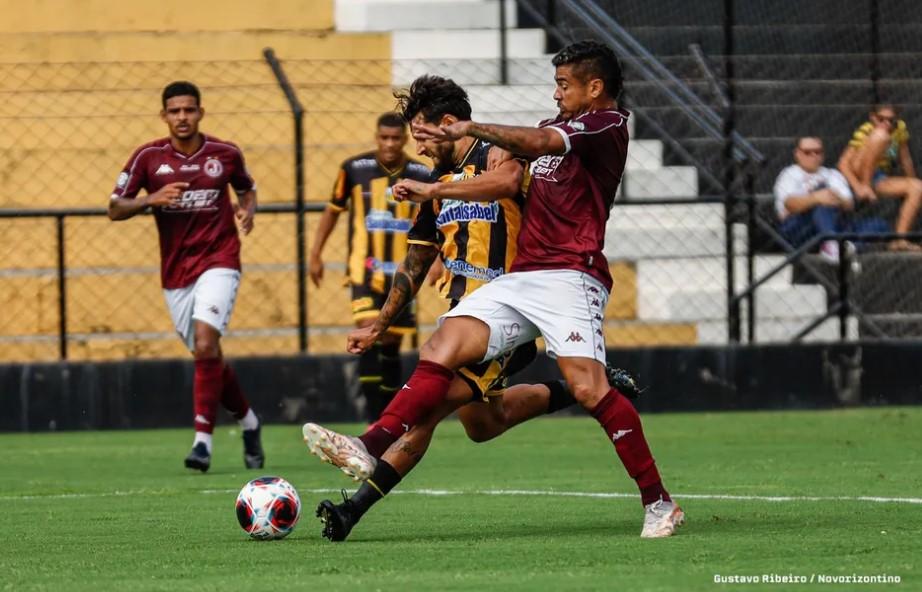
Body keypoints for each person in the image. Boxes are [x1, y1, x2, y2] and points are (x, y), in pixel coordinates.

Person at [311, 41, 682, 540]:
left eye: (564, 84)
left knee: (587, 389)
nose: (556, 93)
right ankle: (368, 444)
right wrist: (380, 322)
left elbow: (520, 164)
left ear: (595, 87)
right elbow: (419, 257)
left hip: (572, 273)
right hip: (520, 279)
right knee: (453, 372)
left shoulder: (604, 126)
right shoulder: (527, 142)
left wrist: (466, 135)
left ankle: (659, 502)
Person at [108, 80, 264, 473]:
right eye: (175, 111)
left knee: (208, 342)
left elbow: (247, 189)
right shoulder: (148, 158)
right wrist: (150, 199)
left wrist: (248, 210)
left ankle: (202, 444)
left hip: (220, 260)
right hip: (176, 273)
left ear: (200, 112)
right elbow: (113, 208)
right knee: (206, 354)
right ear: (164, 116)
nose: (182, 117)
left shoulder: (225, 154)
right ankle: (250, 423)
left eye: (189, 110)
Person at [309, 113, 433, 422]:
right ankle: (372, 417)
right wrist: (316, 252)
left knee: (391, 341)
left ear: (405, 140)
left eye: (395, 138)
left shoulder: (422, 173)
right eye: (384, 138)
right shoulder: (353, 169)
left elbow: (437, 218)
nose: (389, 144)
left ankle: (388, 415)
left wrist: (440, 261)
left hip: (404, 273)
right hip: (364, 271)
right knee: (369, 331)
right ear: (376, 137)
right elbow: (333, 211)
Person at [775, 136, 886, 261]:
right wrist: (816, 197)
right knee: (822, 195)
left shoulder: (832, 174)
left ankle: (845, 247)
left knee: (879, 225)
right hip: (800, 228)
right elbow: (789, 205)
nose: (813, 156)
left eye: (817, 152)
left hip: (835, 223)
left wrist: (832, 198)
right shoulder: (789, 174)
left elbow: (849, 204)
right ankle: (832, 243)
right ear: (797, 154)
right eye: (807, 152)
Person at [837, 104, 922, 251]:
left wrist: (911, 180)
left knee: (918, 187)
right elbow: (843, 164)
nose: (886, 124)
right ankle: (866, 184)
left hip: (879, 176)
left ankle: (899, 240)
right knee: (880, 135)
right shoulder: (867, 129)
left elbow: (905, 158)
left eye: (891, 120)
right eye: (881, 119)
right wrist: (859, 186)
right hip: (856, 173)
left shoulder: (899, 129)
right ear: (872, 117)